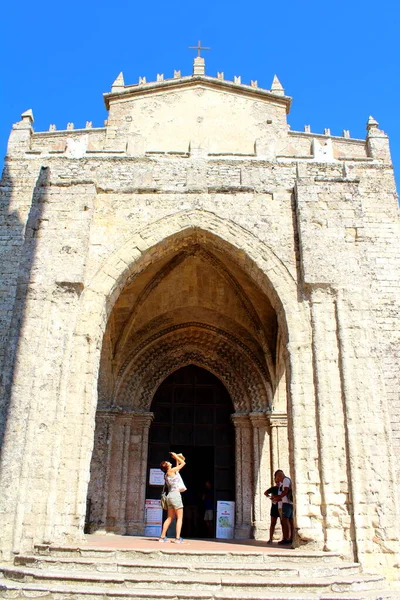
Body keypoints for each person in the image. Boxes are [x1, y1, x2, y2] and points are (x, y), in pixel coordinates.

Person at [159, 452, 186, 543]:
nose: (168, 462)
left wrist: (176, 460)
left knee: (170, 517)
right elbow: (183, 464)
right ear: (167, 466)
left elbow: (177, 470)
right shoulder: (171, 471)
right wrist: (175, 456)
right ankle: (177, 538)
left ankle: (162, 537)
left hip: (169, 496)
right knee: (179, 517)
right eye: (167, 462)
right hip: (175, 495)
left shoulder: (167, 474)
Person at [272, 469, 293, 545]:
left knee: (285, 520)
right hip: (288, 503)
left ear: (280, 475)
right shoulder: (286, 480)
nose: (278, 480)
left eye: (278, 478)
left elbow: (285, 491)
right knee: (289, 521)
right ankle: (290, 538)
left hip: (286, 503)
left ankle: (286, 538)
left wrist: (278, 497)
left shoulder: (285, 480)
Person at [264, 472, 281, 544]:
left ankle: (285, 538)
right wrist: (270, 497)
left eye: (279, 482)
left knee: (284, 523)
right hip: (274, 507)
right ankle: (270, 538)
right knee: (273, 523)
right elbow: (265, 492)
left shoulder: (283, 488)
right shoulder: (273, 488)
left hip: (281, 507)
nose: (277, 483)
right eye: (276, 482)